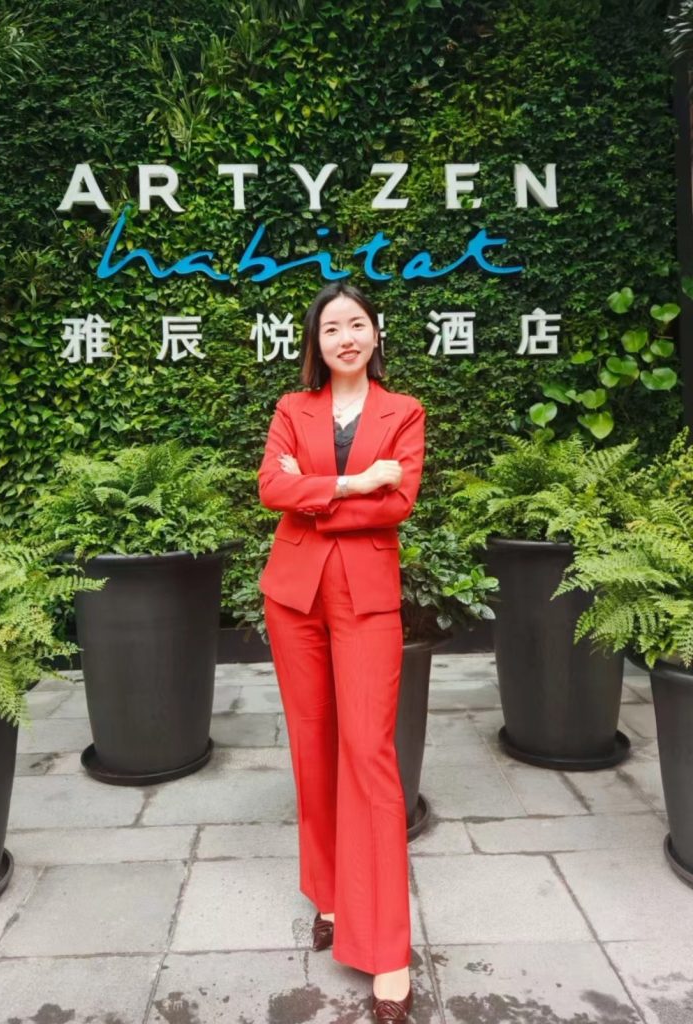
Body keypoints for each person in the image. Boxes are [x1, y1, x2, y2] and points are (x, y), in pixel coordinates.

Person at [257, 281, 426, 1023]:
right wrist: (356, 481)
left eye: (357, 324)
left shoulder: (404, 411)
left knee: (369, 753)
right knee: (313, 747)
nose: (346, 337)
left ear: (374, 334)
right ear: (316, 343)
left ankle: (387, 948)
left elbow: (399, 502)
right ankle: (328, 896)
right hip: (293, 597)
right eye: (332, 328)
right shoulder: (292, 409)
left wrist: (315, 493)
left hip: (366, 599)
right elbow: (271, 487)